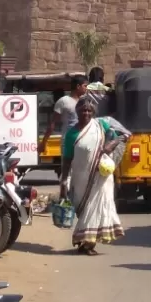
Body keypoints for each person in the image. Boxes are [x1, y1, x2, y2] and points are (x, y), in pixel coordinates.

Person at [61, 96, 130, 254]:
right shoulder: (72, 134)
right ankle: (84, 239)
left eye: (89, 110)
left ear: (93, 112)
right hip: (80, 178)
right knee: (84, 209)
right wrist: (63, 181)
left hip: (101, 176)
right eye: (83, 110)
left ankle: (87, 243)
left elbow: (122, 135)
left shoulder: (101, 125)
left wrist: (111, 144)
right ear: (77, 111)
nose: (86, 112)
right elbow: (66, 159)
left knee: (97, 207)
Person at [40, 75, 88, 156]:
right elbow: (53, 123)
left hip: (83, 140)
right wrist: (44, 142)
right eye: (85, 86)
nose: (86, 88)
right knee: (67, 166)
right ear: (78, 86)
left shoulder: (85, 102)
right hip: (68, 141)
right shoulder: (63, 101)